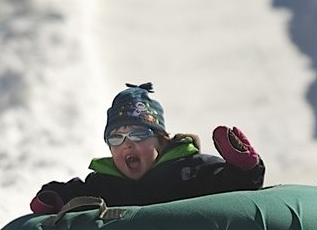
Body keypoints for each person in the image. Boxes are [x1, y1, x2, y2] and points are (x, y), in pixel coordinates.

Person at [30, 82, 265, 213]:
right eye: (116, 137)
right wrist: (53, 197)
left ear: (161, 140)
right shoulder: (104, 184)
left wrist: (244, 167)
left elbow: (233, 189)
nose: (127, 143)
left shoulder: (191, 170)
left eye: (138, 133)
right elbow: (74, 195)